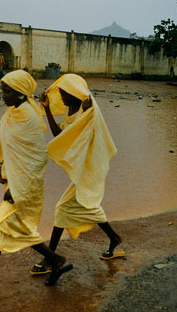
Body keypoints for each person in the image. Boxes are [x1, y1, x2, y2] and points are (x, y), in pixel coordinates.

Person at [0, 70, 73, 308]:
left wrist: (18, 187)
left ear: (22, 93)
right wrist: (3, 169)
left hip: (24, 188)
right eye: (2, 90)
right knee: (19, 229)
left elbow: (36, 160)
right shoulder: (12, 113)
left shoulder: (30, 119)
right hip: (13, 183)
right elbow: (10, 149)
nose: (3, 95)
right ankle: (55, 260)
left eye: (7, 91)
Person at [30, 74, 124, 276]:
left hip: (92, 164)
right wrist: (46, 108)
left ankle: (50, 258)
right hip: (85, 167)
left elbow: (89, 110)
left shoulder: (88, 107)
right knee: (86, 204)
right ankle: (114, 237)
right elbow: (60, 136)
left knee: (63, 208)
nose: (62, 97)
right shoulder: (70, 110)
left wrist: (88, 102)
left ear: (75, 93)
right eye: (61, 93)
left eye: (65, 93)